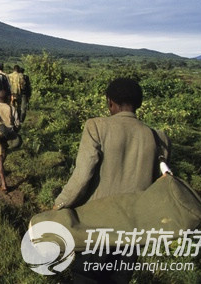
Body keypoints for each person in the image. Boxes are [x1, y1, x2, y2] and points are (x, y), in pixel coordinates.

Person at [53, 78, 171, 284]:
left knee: (86, 276)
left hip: (96, 226)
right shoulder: (158, 137)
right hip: (134, 230)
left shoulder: (96, 126)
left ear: (110, 103)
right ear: (139, 104)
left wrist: (60, 204)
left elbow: (82, 176)